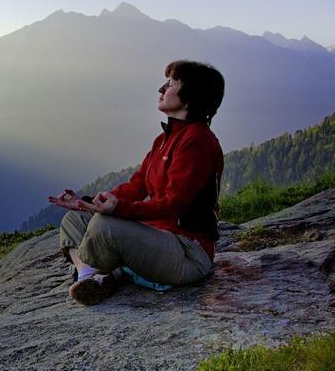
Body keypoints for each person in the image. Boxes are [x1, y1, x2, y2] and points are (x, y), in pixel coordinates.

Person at [48, 60, 225, 305]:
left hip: (186, 251)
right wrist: (89, 203)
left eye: (171, 84)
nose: (162, 89)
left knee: (104, 226)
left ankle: (97, 271)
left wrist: (115, 210)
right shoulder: (163, 140)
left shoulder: (197, 142)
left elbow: (174, 204)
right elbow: (137, 186)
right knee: (75, 219)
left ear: (190, 96)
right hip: (158, 237)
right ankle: (90, 275)